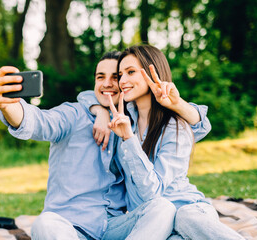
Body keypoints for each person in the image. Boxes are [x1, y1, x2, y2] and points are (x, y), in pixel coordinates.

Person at [0, 51, 210, 240]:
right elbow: (36, 122)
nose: (107, 83)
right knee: (45, 223)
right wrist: (8, 105)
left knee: (163, 208)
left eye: (116, 77)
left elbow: (195, 128)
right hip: (69, 226)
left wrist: (177, 104)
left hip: (114, 226)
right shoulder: (73, 115)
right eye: (100, 77)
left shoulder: (131, 122)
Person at [84, 45, 244, 239]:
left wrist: (129, 139)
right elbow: (86, 95)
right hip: (152, 223)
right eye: (120, 75)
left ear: (153, 73)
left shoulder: (175, 127)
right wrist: (100, 111)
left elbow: (154, 193)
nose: (123, 81)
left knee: (184, 217)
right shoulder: (123, 120)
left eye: (131, 72)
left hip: (188, 211)